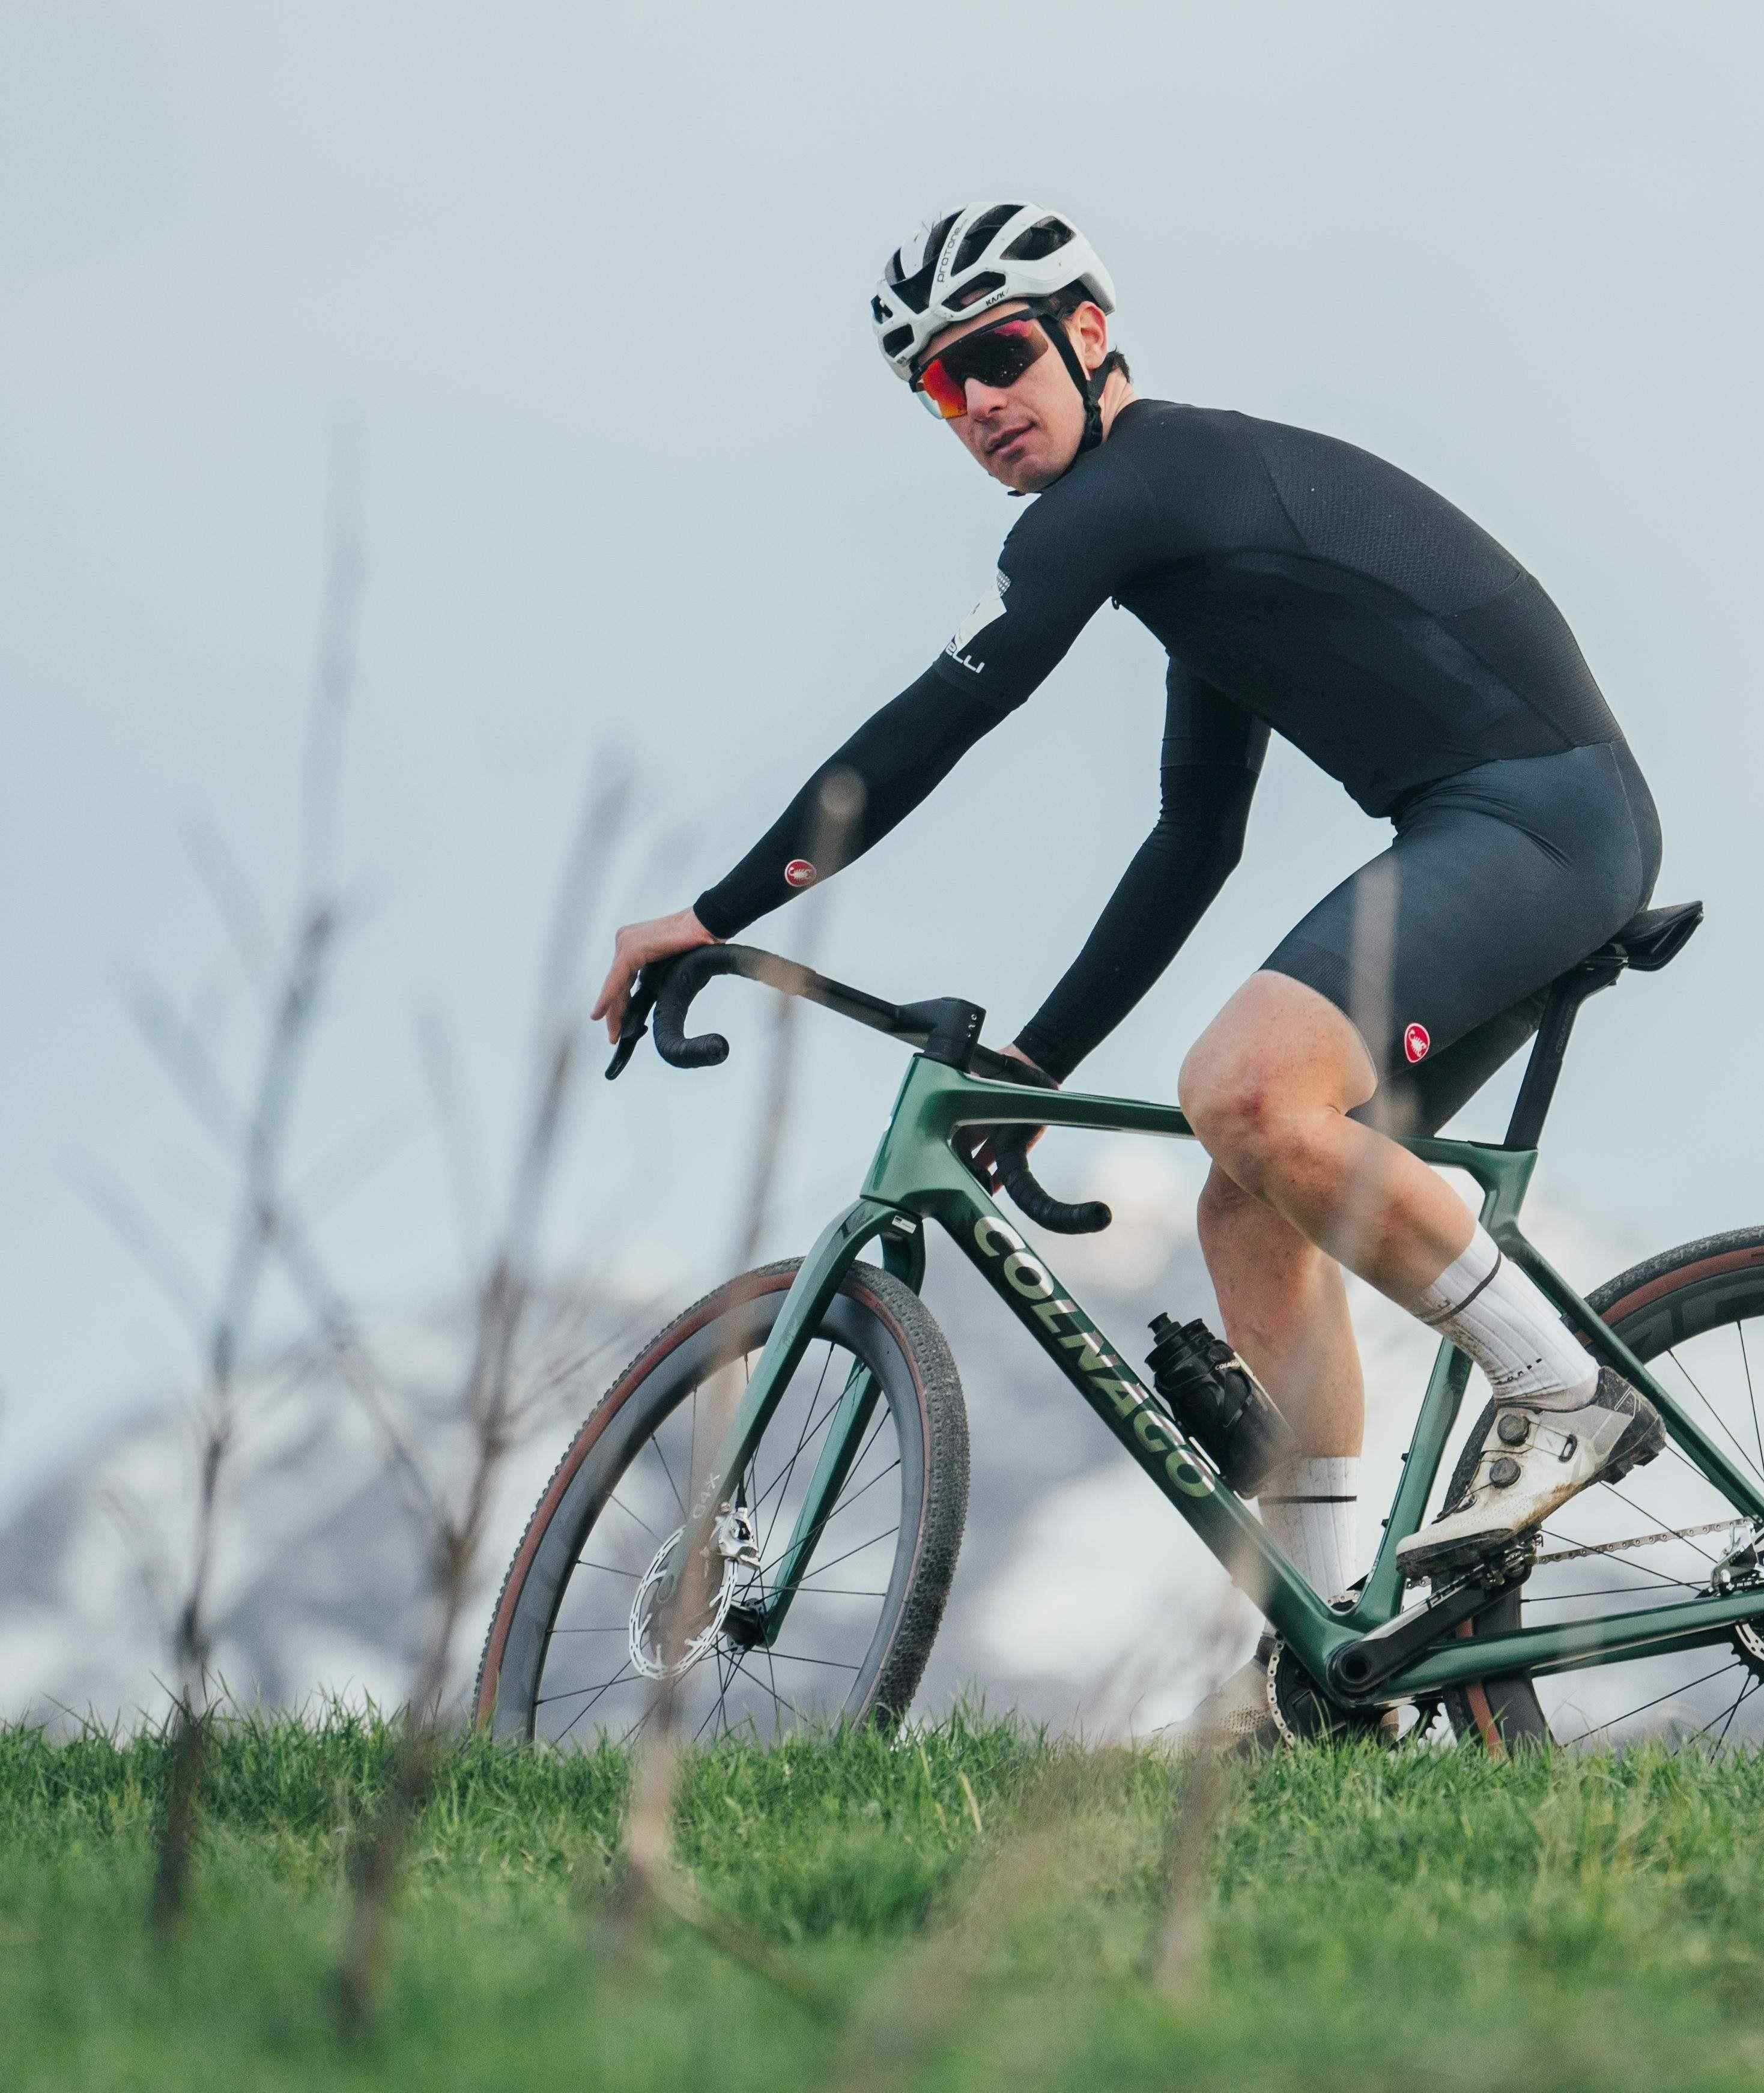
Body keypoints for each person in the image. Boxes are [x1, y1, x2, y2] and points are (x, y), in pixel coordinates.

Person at [591, 199, 1664, 1626]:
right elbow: (1192, 841)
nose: (977, 403)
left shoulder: (1142, 488)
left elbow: (942, 716)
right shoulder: (1187, 556)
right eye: (938, 386)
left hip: (1540, 823)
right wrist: (1038, 1065)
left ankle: (1562, 1390)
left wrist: (713, 912)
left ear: (1087, 332)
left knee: (1247, 1093)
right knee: (1249, 1205)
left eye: (996, 355)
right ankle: (1326, 1649)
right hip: (1509, 828)